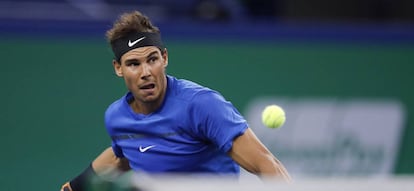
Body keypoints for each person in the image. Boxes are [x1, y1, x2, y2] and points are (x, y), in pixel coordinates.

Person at [61, 10, 291, 191]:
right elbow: (121, 156)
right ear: (118, 68)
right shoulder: (116, 117)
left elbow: (266, 164)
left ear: (164, 58)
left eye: (152, 59)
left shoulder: (202, 105)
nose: (146, 72)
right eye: (133, 64)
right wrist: (75, 186)